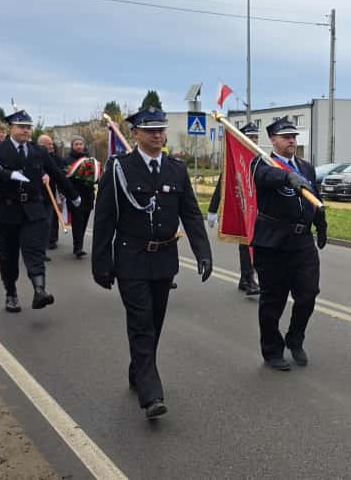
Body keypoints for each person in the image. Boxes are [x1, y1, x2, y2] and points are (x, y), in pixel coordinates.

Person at [91, 107, 212, 420]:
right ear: (136, 134)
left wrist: (203, 252)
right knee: (141, 322)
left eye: (161, 130)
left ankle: (138, 370)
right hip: (131, 257)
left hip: (163, 260)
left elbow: (190, 214)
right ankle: (151, 393)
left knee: (154, 323)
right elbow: (105, 218)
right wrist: (101, 262)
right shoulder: (119, 168)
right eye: (150, 130)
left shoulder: (176, 168)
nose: (157, 135)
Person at [0, 110, 79, 313]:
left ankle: (39, 290)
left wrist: (74, 196)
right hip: (6, 210)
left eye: (29, 127)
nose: (26, 130)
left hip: (33, 209)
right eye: (22, 126)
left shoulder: (38, 151)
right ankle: (11, 293)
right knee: (9, 256)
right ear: (11, 128)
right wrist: (7, 174)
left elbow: (56, 173)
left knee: (35, 251)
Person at [249, 117, 327, 371]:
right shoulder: (261, 162)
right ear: (272, 140)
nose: (292, 140)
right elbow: (265, 176)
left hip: (302, 241)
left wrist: (321, 225)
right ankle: (272, 350)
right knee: (273, 301)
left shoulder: (306, 167)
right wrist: (287, 177)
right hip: (273, 244)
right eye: (285, 137)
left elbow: (315, 196)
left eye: (294, 136)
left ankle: (295, 338)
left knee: (308, 294)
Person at [207, 121, 261, 295]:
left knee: (254, 244)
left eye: (255, 137)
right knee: (246, 243)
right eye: (250, 137)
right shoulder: (234, 160)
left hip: (258, 210)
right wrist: (212, 210)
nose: (253, 140)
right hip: (241, 208)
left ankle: (244, 279)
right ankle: (249, 279)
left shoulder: (260, 159)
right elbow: (223, 185)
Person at [65, 137, 96, 258]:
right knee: (77, 221)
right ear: (72, 146)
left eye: (80, 144)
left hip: (87, 195)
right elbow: (64, 177)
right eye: (76, 144)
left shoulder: (90, 160)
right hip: (74, 195)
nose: (78, 146)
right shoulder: (67, 160)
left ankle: (79, 244)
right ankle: (78, 247)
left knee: (84, 221)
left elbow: (96, 174)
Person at [37, 134, 65, 256]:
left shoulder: (55, 158)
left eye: (51, 143)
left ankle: (45, 246)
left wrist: (62, 191)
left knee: (49, 221)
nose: (51, 146)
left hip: (51, 193)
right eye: (48, 144)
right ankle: (37, 247)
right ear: (41, 145)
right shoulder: (34, 157)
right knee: (38, 223)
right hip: (37, 194)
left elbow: (60, 175)